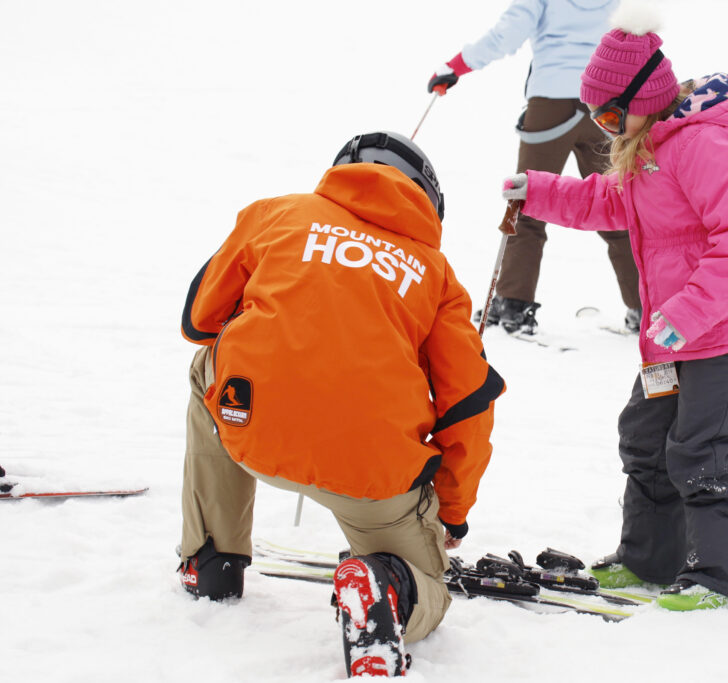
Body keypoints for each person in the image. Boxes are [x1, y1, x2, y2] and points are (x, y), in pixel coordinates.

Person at [177, 131, 505, 677]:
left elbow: (199, 322)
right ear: (428, 201)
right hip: (372, 474)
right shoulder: (436, 274)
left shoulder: (276, 213)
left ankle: (212, 559)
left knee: (205, 372)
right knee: (432, 592)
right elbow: (468, 404)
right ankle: (389, 587)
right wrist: (451, 511)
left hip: (247, 427)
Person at [501, 18, 728, 611]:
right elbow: (607, 201)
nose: (606, 129)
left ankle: (724, 581)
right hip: (673, 339)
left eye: (610, 117)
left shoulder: (703, 144)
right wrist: (537, 189)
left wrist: (689, 311)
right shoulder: (650, 149)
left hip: (725, 333)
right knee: (646, 437)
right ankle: (650, 562)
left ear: (645, 100)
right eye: (597, 119)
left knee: (701, 451)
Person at [427, 0, 642, 335]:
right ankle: (646, 305)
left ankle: (513, 303)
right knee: (616, 205)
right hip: (606, 106)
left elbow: (507, 34)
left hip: (550, 100)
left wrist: (456, 66)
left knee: (527, 201)